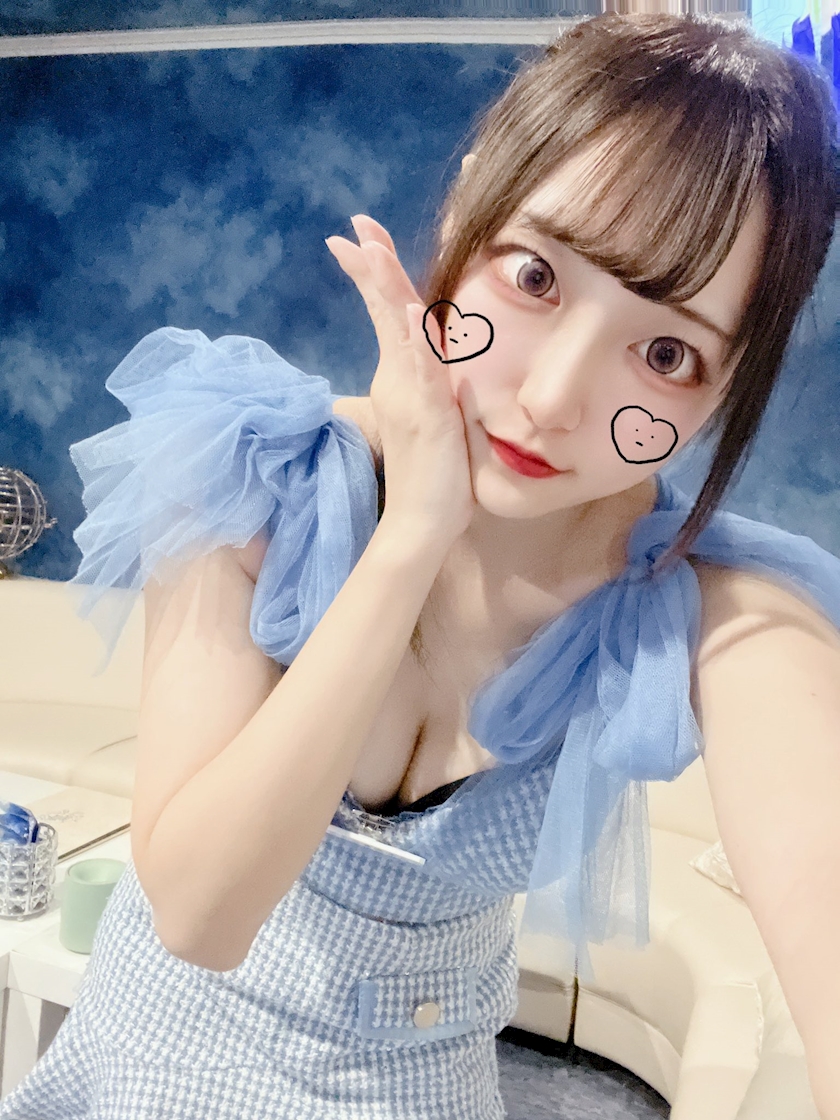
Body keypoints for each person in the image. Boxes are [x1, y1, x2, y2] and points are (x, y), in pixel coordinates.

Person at [2, 11, 839, 1120]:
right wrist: (410, 539)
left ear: (727, 386)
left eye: (666, 350)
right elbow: (199, 913)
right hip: (143, 1078)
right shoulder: (249, 470)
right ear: (468, 204)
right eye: (535, 276)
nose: (551, 398)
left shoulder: (719, 616)